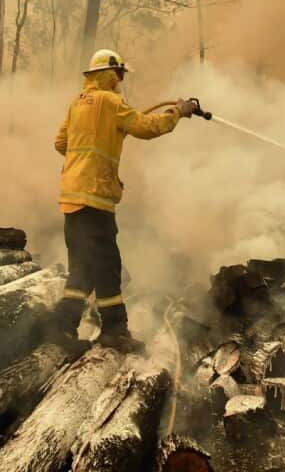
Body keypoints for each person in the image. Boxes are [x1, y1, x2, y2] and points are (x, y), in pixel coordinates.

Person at [52, 48, 196, 352]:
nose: (120, 80)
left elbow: (61, 143)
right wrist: (178, 112)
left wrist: (95, 145)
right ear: (107, 73)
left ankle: (62, 328)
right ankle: (115, 332)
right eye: (118, 74)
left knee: (82, 266)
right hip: (95, 198)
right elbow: (147, 127)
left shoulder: (77, 104)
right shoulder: (110, 102)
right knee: (108, 265)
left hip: (71, 198)